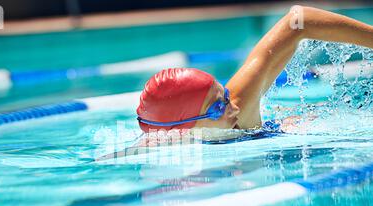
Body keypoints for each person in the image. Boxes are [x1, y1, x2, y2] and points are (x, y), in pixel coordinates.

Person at [136, 6, 373, 135]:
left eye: (224, 97)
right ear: (185, 126)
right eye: (218, 107)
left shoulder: (239, 115)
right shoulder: (159, 149)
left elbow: (299, 20)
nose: (233, 107)